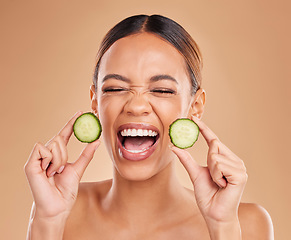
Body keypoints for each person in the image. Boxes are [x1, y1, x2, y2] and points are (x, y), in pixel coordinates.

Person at [24, 14, 274, 239]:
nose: (136, 106)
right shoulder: (57, 210)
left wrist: (222, 226)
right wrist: (49, 221)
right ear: (95, 102)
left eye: (162, 90)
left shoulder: (247, 225)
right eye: (115, 88)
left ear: (195, 105)